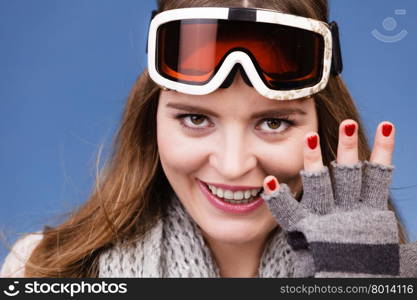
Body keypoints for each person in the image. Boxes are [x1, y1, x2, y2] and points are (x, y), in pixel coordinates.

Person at [1, 0, 416, 278]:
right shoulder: (37, 268)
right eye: (196, 118)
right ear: (152, 122)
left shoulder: (394, 274)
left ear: (323, 131)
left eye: (273, 123)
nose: (233, 166)